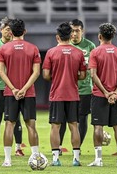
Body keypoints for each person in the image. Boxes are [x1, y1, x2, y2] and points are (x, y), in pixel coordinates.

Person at [0, 19, 41, 167]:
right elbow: (36, 72)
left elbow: (1, 72)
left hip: (10, 92)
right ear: (24, 31)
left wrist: (14, 89)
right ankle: (36, 157)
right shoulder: (33, 48)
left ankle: (7, 160)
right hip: (28, 93)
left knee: (9, 124)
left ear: (10, 32)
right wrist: (24, 89)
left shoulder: (3, 49)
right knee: (31, 125)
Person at [43, 22, 86, 166]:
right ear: (70, 35)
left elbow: (46, 75)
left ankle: (55, 159)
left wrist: (57, 77)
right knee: (74, 125)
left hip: (57, 94)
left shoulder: (51, 52)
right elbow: (83, 75)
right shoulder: (79, 53)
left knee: (55, 126)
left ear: (57, 37)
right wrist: (72, 76)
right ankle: (76, 159)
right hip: (73, 94)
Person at [88, 23, 117, 167]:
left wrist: (105, 92)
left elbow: (93, 75)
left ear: (99, 36)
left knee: (98, 126)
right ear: (114, 37)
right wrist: (115, 92)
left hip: (100, 95)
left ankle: (98, 160)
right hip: (116, 96)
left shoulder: (95, 52)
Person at [0, 17, 24, 157]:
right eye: (7, 29)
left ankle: (18, 148)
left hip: (14, 87)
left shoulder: (17, 45)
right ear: (1, 30)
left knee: (16, 118)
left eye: (11, 30)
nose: (9, 32)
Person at [58, 19, 96, 155]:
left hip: (84, 90)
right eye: (72, 31)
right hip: (66, 89)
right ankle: (59, 147)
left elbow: (94, 70)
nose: (74, 34)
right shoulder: (63, 46)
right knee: (61, 119)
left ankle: (77, 148)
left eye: (77, 31)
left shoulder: (90, 46)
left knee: (82, 118)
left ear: (82, 31)